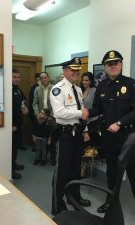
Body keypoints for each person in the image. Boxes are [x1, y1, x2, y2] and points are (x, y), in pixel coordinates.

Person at [88, 50, 135, 225]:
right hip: (109, 137)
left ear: (121, 64)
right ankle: (111, 203)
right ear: (105, 67)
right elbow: (97, 110)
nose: (113, 65)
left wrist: (119, 123)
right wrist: (84, 112)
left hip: (127, 137)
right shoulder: (101, 87)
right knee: (112, 173)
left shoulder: (131, 84)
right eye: (109, 64)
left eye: (116, 62)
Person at [50, 57, 91, 215]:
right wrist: (80, 113)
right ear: (65, 71)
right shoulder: (58, 89)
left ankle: (74, 197)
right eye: (73, 70)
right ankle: (57, 204)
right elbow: (59, 113)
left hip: (78, 134)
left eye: (77, 70)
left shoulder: (78, 89)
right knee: (62, 171)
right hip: (65, 135)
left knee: (76, 169)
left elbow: (83, 112)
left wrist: (85, 129)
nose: (76, 72)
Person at [33, 72, 56, 165]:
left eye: (45, 77)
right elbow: (34, 103)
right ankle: (40, 158)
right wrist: (37, 114)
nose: (44, 79)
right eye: (42, 78)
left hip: (51, 117)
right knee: (41, 138)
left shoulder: (54, 88)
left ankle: (51, 159)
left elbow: (56, 104)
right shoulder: (37, 89)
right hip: (41, 116)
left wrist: (51, 115)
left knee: (51, 138)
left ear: (48, 78)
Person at [12, 68, 28, 179]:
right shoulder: (7, 90)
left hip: (18, 123)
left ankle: (13, 163)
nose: (17, 79)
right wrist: (11, 124)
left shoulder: (18, 90)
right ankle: (10, 170)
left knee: (16, 146)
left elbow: (23, 101)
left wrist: (24, 108)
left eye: (18, 77)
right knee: (11, 148)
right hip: (11, 125)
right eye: (14, 77)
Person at [29, 73, 41, 152]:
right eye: (37, 80)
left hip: (44, 114)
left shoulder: (47, 87)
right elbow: (31, 100)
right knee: (35, 131)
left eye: (39, 79)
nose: (38, 81)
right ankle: (36, 146)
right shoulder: (33, 88)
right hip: (34, 113)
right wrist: (32, 113)